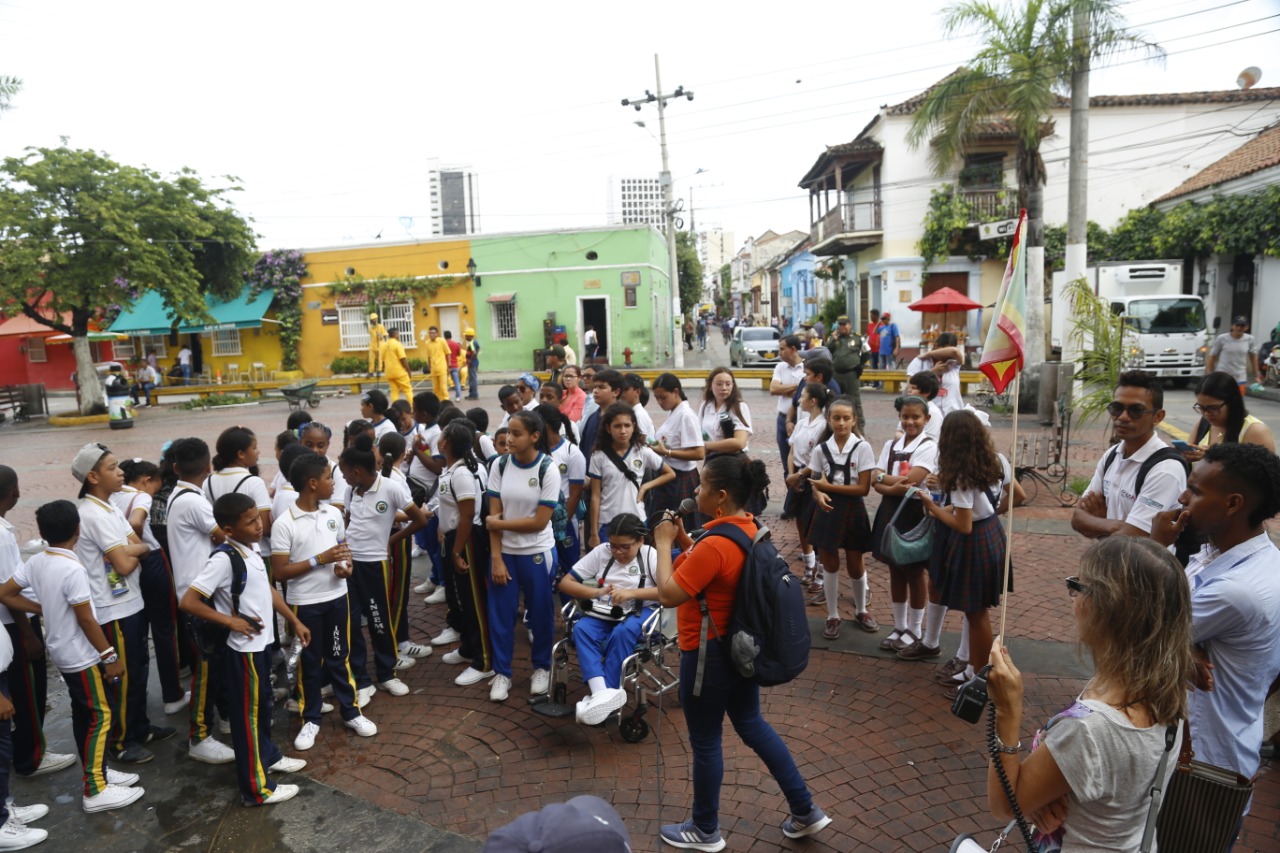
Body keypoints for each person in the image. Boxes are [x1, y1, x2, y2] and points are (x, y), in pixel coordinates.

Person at [651, 455, 832, 850]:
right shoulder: (747, 528)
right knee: (752, 725)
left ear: (719, 496)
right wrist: (684, 542)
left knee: (705, 742)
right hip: (740, 650)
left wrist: (664, 543)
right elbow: (713, 570)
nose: (694, 491)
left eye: (700, 485)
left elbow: (668, 594)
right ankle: (805, 809)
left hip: (706, 655)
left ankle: (704, 829)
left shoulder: (714, 545)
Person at [984, 537, 1191, 852]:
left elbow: (1003, 804)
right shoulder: (1167, 690)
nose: (1072, 599)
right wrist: (1039, 795)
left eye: (1076, 587)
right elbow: (1101, 779)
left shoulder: (1088, 729)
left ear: (1102, 609)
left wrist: (1006, 711)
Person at [1151, 442, 1280, 804]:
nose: (1182, 496)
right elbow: (1168, 621)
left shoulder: (1237, 590)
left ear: (1233, 503)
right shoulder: (1241, 557)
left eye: (1195, 490)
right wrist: (1181, 645)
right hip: (1222, 745)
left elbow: (1133, 629)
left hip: (1204, 763)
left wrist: (1157, 546)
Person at [0, 500, 144, 816]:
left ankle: (100, 771)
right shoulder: (73, 568)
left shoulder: (39, 561)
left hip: (61, 649)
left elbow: (5, 592)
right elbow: (87, 620)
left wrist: (44, 609)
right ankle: (95, 789)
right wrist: (109, 656)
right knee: (100, 716)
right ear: (78, 530)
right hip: (81, 654)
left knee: (85, 713)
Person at [180, 493, 310, 806]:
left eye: (257, 518)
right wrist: (229, 621)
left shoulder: (250, 550)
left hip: (262, 646)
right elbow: (189, 601)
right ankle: (256, 789)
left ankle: (268, 756)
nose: (258, 525)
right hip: (244, 651)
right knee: (248, 718)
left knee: (263, 709)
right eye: (250, 522)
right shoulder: (223, 559)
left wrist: (292, 618)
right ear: (227, 528)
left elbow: (265, 590)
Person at [269, 452, 377, 751]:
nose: (334, 482)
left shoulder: (332, 514)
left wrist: (346, 566)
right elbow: (279, 572)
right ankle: (310, 718)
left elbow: (343, 549)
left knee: (339, 655)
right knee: (309, 661)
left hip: (337, 598)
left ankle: (351, 711)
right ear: (313, 483)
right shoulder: (285, 523)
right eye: (330, 477)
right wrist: (320, 560)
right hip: (304, 603)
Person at [912, 411, 1025, 692]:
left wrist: (933, 507)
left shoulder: (963, 475)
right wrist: (987, 515)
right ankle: (974, 670)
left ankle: (981, 681)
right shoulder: (998, 460)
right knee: (978, 612)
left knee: (976, 615)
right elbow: (1017, 497)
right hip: (993, 534)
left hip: (973, 543)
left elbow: (962, 525)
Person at [71, 444, 169, 765]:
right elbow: (126, 563)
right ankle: (121, 740)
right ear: (93, 476)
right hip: (112, 609)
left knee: (139, 670)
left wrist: (132, 552)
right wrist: (133, 553)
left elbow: (136, 545)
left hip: (130, 602)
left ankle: (138, 727)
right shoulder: (91, 513)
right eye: (113, 468)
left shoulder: (110, 506)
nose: (121, 472)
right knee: (122, 676)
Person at [0, 467, 76, 782]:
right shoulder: (2, 535)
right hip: (17, 626)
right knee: (29, 692)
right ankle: (31, 756)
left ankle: (27, 750)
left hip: (16, 624)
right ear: (14, 492)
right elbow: (5, 590)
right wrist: (34, 622)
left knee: (24, 690)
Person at [165, 438, 238, 766]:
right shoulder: (193, 502)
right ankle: (200, 736)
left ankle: (222, 718)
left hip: (194, 590)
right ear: (208, 468)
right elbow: (224, 535)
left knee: (215, 665)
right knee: (206, 671)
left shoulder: (178, 496)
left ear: (176, 467)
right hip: (201, 595)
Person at [339, 434, 427, 702]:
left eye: (344, 473)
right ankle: (361, 679)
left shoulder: (391, 488)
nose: (341, 478)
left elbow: (419, 520)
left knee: (379, 619)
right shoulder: (350, 490)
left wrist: (391, 540)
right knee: (352, 622)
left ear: (356, 471)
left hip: (376, 564)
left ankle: (387, 673)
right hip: (350, 564)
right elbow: (349, 520)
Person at [484, 410, 562, 703]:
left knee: (541, 614)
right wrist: (496, 558)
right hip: (505, 553)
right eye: (507, 433)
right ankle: (502, 673)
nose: (509, 440)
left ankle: (541, 667)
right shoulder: (500, 466)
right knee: (501, 616)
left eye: (516, 434)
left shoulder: (547, 469)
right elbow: (493, 512)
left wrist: (500, 525)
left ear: (534, 437)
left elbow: (540, 522)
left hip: (537, 552)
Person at [557, 514, 660, 725]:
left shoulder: (650, 555)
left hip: (642, 611)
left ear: (640, 541)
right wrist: (597, 592)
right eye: (614, 545)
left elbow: (669, 591)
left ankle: (610, 693)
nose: (618, 552)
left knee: (623, 632)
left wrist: (631, 593)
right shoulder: (602, 552)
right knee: (582, 629)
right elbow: (565, 583)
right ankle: (601, 694)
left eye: (624, 547)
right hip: (606, 611)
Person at [1071, 370, 1188, 541]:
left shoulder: (1166, 469)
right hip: (1109, 564)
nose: (1123, 417)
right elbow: (1077, 518)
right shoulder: (1112, 455)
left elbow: (1135, 539)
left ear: (1158, 416)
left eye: (1136, 410)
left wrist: (1099, 522)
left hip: (1144, 568)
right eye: (1117, 408)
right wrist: (1117, 525)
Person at [112, 460, 187, 718]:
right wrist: (134, 545)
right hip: (149, 560)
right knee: (165, 630)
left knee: (138, 633)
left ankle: (137, 699)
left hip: (126, 569)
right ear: (145, 479)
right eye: (156, 485)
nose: (156, 491)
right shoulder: (141, 496)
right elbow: (136, 524)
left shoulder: (110, 497)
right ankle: (172, 695)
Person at [805, 396, 878, 639]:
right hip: (828, 509)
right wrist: (818, 494)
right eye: (836, 418)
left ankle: (862, 610)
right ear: (829, 419)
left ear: (854, 420)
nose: (841, 423)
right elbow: (816, 481)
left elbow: (863, 489)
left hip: (853, 508)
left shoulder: (862, 447)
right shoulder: (821, 449)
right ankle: (833, 615)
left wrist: (828, 488)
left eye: (847, 418)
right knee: (830, 563)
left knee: (856, 564)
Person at [870, 396, 938, 651]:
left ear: (926, 419)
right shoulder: (890, 444)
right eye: (905, 417)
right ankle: (899, 626)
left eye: (916, 417)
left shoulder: (929, 446)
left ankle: (915, 628)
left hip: (913, 514)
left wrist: (882, 480)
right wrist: (888, 483)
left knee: (913, 570)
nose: (910, 422)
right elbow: (872, 481)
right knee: (894, 569)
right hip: (890, 511)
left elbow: (910, 482)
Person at [436, 421, 494, 688]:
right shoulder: (459, 468)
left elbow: (468, 514)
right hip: (458, 536)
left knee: (474, 601)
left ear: (446, 443)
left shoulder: (461, 473)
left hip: (467, 539)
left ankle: (484, 661)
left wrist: (457, 550)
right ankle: (470, 647)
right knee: (464, 599)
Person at [586, 403, 673, 548]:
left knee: (637, 565)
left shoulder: (642, 452)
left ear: (633, 426)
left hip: (637, 518)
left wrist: (646, 486)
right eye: (617, 426)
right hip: (607, 521)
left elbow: (670, 473)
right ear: (608, 428)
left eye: (627, 425)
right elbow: (595, 496)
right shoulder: (598, 457)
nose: (623, 431)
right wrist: (594, 533)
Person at [784, 383, 832, 590]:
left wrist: (799, 475)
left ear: (813, 401)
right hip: (799, 476)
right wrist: (791, 474)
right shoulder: (802, 423)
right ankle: (809, 564)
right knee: (801, 521)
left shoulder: (823, 425)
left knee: (816, 524)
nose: (799, 399)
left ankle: (820, 573)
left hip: (815, 477)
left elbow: (819, 459)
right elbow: (793, 450)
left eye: (802, 396)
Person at [205, 427, 273, 560]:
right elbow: (264, 527)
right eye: (254, 448)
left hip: (227, 553)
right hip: (256, 553)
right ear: (241, 454)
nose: (258, 452)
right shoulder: (254, 482)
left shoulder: (208, 481)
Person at [648, 374, 706, 519]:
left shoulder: (686, 415)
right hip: (669, 476)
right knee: (662, 522)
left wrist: (666, 451)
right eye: (656, 398)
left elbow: (699, 453)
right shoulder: (675, 412)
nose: (660, 402)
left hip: (681, 478)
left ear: (676, 392)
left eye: (663, 397)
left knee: (679, 525)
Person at [1182, 370, 1275, 459]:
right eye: (1201, 408)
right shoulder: (1203, 424)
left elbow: (1266, 471)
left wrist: (1213, 459)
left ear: (1232, 402)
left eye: (1213, 408)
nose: (1206, 414)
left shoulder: (1255, 430)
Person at [698, 367, 752, 463]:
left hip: (732, 461)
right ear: (710, 386)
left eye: (728, 384)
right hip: (711, 459)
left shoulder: (739, 407)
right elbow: (701, 433)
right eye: (719, 384)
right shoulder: (705, 406)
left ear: (733, 386)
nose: (724, 388)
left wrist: (706, 445)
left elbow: (739, 442)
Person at [769, 336, 806, 474]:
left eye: (782, 349)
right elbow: (774, 389)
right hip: (783, 419)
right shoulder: (780, 367)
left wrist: (784, 389)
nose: (779, 352)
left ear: (793, 349)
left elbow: (807, 392)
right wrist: (798, 387)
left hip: (801, 420)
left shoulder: (806, 367)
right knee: (786, 462)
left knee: (802, 460)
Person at [910, 333, 965, 415]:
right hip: (929, 413)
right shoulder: (920, 361)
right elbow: (911, 387)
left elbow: (954, 352)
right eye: (944, 350)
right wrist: (932, 372)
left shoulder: (953, 364)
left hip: (953, 414)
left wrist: (929, 353)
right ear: (936, 346)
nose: (946, 354)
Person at [826, 316, 865, 428]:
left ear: (850, 324)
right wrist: (833, 340)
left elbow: (867, 352)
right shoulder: (833, 338)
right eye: (840, 324)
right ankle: (833, 427)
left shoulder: (857, 338)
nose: (842, 327)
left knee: (854, 401)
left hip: (851, 374)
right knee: (834, 400)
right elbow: (826, 351)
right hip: (836, 374)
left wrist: (860, 365)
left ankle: (858, 429)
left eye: (845, 324)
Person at [1206, 315, 1261, 392]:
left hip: (1240, 376)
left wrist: (1256, 375)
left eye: (1242, 326)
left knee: (1238, 400)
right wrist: (1210, 372)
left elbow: (1253, 357)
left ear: (1246, 327)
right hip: (1223, 374)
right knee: (1223, 399)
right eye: (1237, 325)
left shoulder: (1250, 339)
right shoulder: (1222, 338)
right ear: (1232, 326)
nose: (1239, 328)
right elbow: (1212, 356)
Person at [381, 328, 412, 404]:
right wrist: (408, 371)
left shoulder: (384, 345)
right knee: (407, 390)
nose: (399, 336)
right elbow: (403, 359)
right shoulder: (397, 344)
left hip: (389, 373)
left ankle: (395, 409)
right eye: (398, 334)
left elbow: (383, 360)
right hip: (399, 372)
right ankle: (412, 408)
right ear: (395, 335)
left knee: (394, 392)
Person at [620, 373, 654, 441]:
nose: (622, 393)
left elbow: (641, 440)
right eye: (621, 389)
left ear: (637, 392)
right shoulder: (633, 412)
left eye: (626, 389)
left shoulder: (638, 414)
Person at [423, 326, 450, 401]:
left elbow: (448, 353)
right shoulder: (427, 343)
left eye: (433, 333)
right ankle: (437, 402)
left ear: (437, 334)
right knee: (435, 388)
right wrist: (429, 366)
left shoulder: (442, 341)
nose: (431, 334)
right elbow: (429, 356)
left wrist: (449, 366)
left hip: (442, 367)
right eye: (430, 333)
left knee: (443, 387)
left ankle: (445, 401)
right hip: (433, 368)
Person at [443, 330, 463, 401]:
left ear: (444, 336)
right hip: (454, 365)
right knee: (457, 382)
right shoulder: (456, 344)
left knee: (444, 382)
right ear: (451, 336)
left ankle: (445, 397)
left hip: (445, 366)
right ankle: (458, 397)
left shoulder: (443, 344)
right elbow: (459, 354)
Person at [463, 327, 481, 399]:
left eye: (466, 335)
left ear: (470, 336)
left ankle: (474, 395)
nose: (465, 337)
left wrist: (470, 360)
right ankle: (471, 394)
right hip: (474, 362)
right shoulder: (475, 342)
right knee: (471, 379)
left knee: (472, 379)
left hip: (472, 363)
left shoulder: (471, 343)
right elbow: (478, 349)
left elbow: (474, 352)